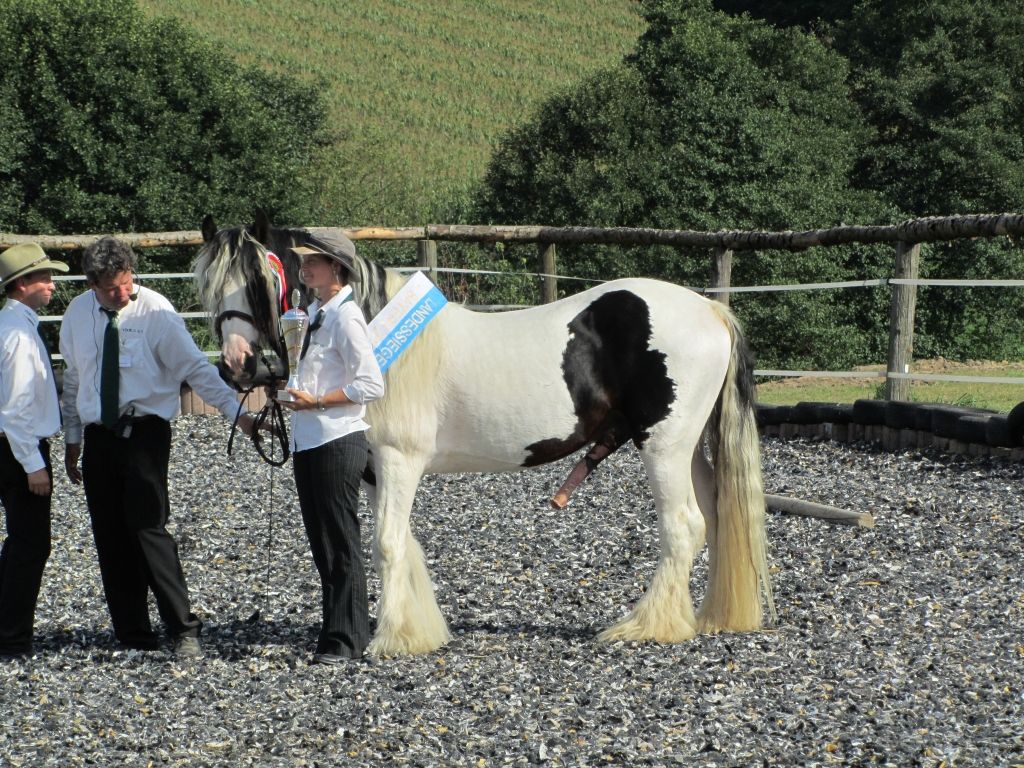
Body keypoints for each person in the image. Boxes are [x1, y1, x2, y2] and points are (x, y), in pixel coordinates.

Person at [60, 236, 258, 658]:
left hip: (145, 434)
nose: (122, 293)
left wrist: (237, 413)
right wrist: (72, 439)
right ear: (92, 284)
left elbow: (196, 369)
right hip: (99, 435)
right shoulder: (77, 313)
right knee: (109, 535)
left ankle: (182, 628)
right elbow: (74, 378)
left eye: (127, 282)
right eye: (112, 288)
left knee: (149, 528)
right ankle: (132, 631)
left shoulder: (156, 311)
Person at [279, 231, 384, 664]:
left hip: (338, 439)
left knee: (339, 542)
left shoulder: (345, 317)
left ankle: (347, 639)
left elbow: (371, 384)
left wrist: (318, 401)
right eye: (302, 261)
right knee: (323, 543)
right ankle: (337, 631)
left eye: (313, 261)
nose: (304, 268)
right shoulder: (312, 313)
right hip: (310, 439)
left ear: (336, 267)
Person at [0, 243, 70, 657]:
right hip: (17, 447)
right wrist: (33, 464)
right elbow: (16, 408)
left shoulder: (11, 325)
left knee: (20, 542)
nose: (51, 285)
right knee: (30, 544)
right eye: (44, 278)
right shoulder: (19, 335)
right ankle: (12, 636)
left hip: (12, 443)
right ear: (22, 283)